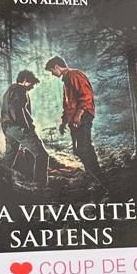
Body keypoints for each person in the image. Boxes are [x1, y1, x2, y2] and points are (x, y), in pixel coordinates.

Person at [44, 56, 105, 187]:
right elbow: (68, 105)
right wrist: (64, 122)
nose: (52, 74)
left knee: (84, 147)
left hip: (82, 116)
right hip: (75, 119)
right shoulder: (66, 80)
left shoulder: (74, 75)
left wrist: (79, 115)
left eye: (51, 71)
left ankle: (99, 178)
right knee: (78, 150)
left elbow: (86, 96)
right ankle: (92, 176)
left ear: (57, 67)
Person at [0, 69, 50, 188]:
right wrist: (26, 127)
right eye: (31, 84)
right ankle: (40, 185)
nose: (32, 87)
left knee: (9, 157)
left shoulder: (10, 90)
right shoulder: (20, 90)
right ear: (25, 81)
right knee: (42, 155)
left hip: (8, 128)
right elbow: (18, 110)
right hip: (19, 128)